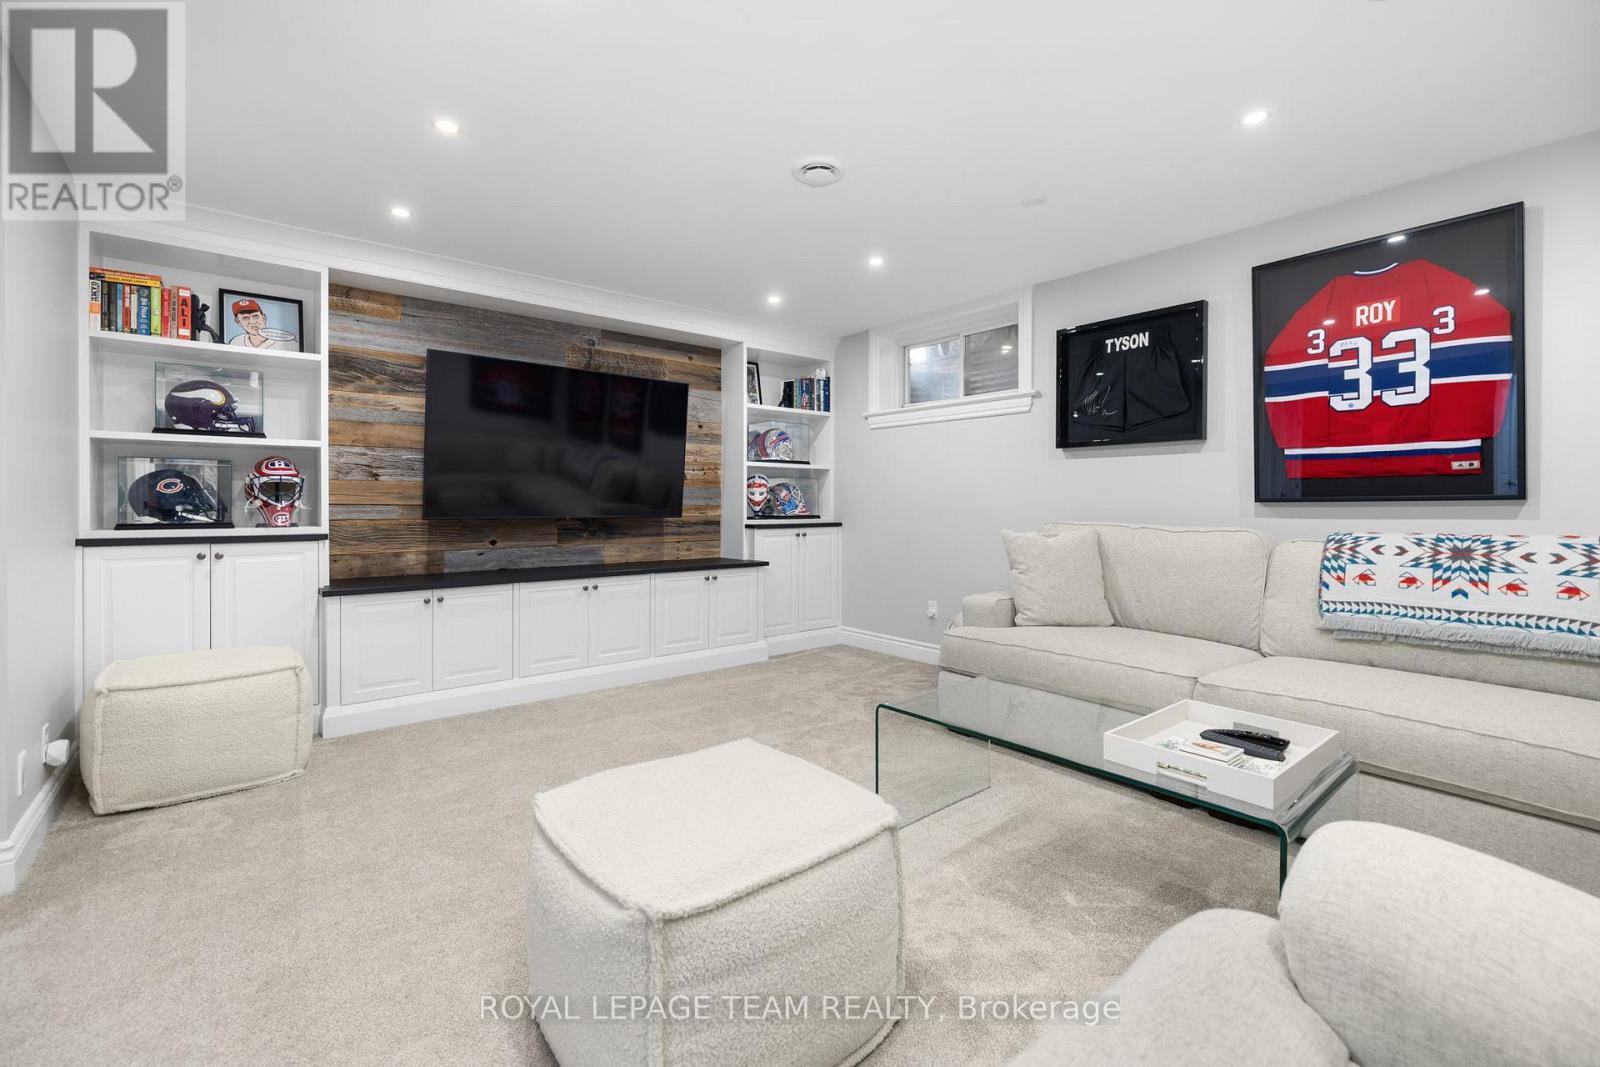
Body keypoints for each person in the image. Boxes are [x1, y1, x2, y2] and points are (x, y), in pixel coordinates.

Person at [227, 298, 297, 350]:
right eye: (245, 318)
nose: (252, 322)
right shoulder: (236, 342)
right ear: (238, 322)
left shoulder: (287, 343)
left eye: (255, 316)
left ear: (264, 317)